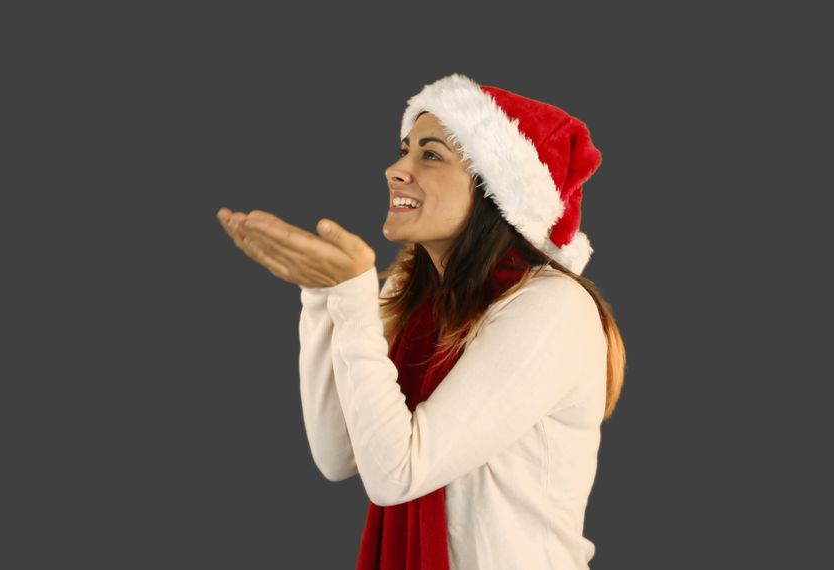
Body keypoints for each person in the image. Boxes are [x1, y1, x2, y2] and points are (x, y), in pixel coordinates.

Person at [217, 72, 626, 569]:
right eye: (404, 149)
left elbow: (398, 473)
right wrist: (324, 296)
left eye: (430, 155)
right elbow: (338, 454)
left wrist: (350, 295)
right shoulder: (415, 297)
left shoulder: (552, 308)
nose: (395, 169)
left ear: (496, 189)